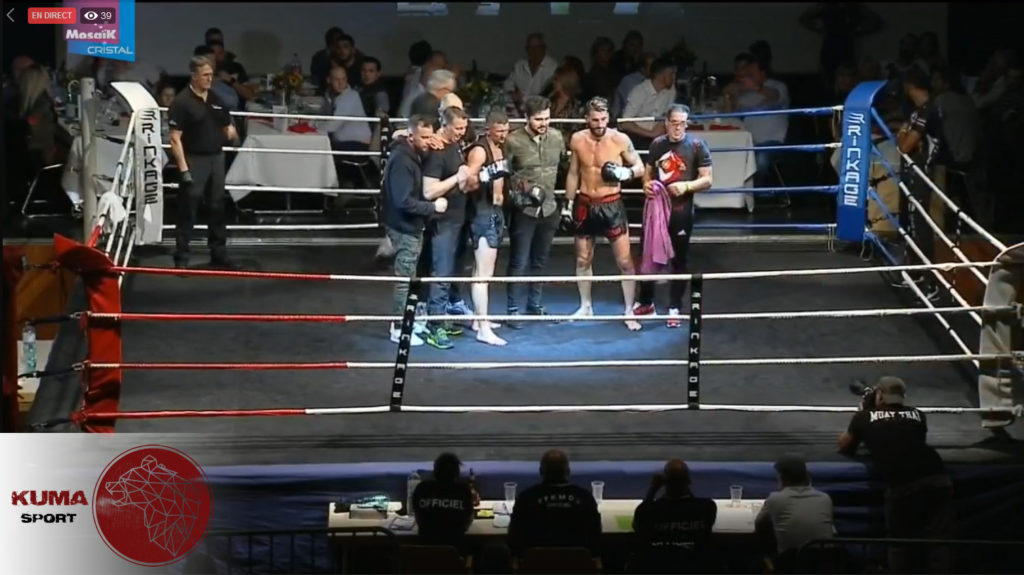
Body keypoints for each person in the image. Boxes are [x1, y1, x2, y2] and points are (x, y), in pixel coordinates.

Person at [838, 376, 955, 574]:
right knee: (940, 540)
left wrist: (863, 412)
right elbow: (904, 436)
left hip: (903, 484)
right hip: (938, 477)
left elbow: (845, 446)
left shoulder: (864, 417)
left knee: (899, 542)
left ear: (879, 395)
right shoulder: (918, 415)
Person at [565, 96, 645, 331]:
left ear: (608, 117)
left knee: (625, 261)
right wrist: (567, 204)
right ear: (586, 119)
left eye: (603, 119)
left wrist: (625, 174)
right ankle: (585, 306)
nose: (599, 124)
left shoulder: (620, 139)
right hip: (585, 203)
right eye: (595, 120)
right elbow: (573, 173)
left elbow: (640, 167)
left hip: (611, 204)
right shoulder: (577, 139)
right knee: (582, 259)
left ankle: (629, 311)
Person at [634, 104, 713, 328]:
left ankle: (674, 307)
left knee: (679, 258)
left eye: (683, 124)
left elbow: (708, 179)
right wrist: (646, 185)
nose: (678, 128)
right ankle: (646, 301)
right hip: (657, 209)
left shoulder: (697, 145)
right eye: (675, 123)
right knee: (648, 254)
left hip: (681, 210)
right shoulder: (657, 144)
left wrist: (686, 186)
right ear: (667, 123)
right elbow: (648, 174)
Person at [167, 55, 240, 270]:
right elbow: (174, 138)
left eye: (211, 75)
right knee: (188, 210)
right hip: (194, 159)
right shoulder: (182, 102)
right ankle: (181, 257)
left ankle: (219, 253)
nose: (209, 79)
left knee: (217, 207)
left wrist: (232, 133)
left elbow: (226, 124)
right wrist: (183, 169)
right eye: (205, 75)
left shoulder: (215, 98)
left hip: (216, 158)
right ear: (194, 76)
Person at [383, 114, 449, 346]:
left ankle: (406, 322)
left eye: (430, 137)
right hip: (404, 227)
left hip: (409, 226)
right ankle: (398, 327)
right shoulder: (403, 161)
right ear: (411, 136)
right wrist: (433, 207)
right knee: (404, 280)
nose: (428, 142)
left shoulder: (411, 153)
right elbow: (403, 201)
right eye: (424, 138)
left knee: (409, 277)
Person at [502, 96, 566, 328]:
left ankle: (534, 304)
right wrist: (521, 188)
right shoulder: (513, 141)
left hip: (549, 208)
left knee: (540, 260)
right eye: (538, 119)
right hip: (524, 210)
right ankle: (513, 310)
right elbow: (504, 174)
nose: (543, 123)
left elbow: (563, 167)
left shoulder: (557, 138)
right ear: (527, 117)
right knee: (518, 261)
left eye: (547, 118)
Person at [422, 106, 472, 349]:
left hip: (457, 218)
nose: (461, 132)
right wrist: (457, 177)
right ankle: (434, 326)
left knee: (449, 271)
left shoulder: (453, 145)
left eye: (464, 128)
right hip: (443, 221)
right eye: (458, 128)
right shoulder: (436, 151)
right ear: (445, 125)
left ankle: (439, 317)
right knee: (440, 272)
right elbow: (429, 191)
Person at [464, 111, 512, 346]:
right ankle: (483, 329)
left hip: (496, 212)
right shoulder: (480, 151)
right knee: (483, 274)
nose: (503, 135)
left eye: (506, 131)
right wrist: (484, 175)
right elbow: (466, 182)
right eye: (499, 131)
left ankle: (478, 319)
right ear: (488, 129)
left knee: (483, 271)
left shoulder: (500, 148)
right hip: (482, 213)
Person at [897, 66, 945, 300]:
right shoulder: (918, 112)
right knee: (911, 224)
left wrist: (904, 135)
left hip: (922, 172)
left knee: (920, 226)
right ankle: (916, 273)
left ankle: (930, 281)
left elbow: (905, 144)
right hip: (912, 171)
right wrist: (904, 135)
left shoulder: (929, 111)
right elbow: (902, 140)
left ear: (909, 86)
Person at [507, 449, 601, 558]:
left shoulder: (526, 498)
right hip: (578, 564)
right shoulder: (585, 497)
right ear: (568, 471)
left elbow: (514, 538)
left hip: (536, 564)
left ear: (540, 471)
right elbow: (596, 537)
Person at [631, 459, 717, 574]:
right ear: (688, 481)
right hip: (695, 567)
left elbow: (638, 523)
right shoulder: (706, 507)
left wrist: (653, 488)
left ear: (664, 482)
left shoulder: (650, 510)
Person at [755, 456, 836, 573]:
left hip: (790, 565)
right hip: (825, 564)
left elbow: (759, 525)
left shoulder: (775, 498)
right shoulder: (825, 498)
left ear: (782, 477)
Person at [411, 452, 475, 548]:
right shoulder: (463, 491)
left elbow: (418, 519)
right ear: (457, 472)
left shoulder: (422, 489)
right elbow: (467, 524)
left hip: (425, 554)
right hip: (455, 554)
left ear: (435, 471)